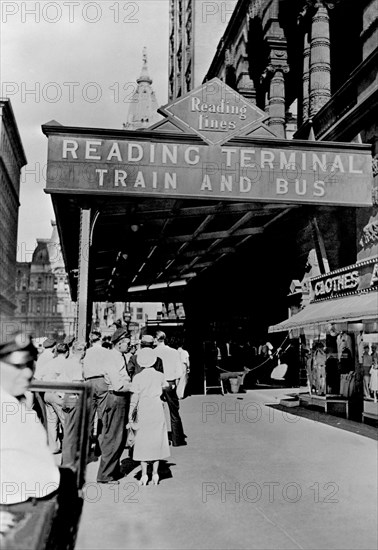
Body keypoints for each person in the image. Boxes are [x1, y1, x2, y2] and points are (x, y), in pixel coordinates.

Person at [127, 347, 170, 486]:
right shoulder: (160, 375)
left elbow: (134, 397)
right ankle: (155, 473)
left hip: (143, 408)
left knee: (142, 440)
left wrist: (130, 415)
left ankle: (144, 474)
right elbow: (167, 387)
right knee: (156, 439)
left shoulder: (137, 377)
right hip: (156, 408)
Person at [96, 328, 132, 484]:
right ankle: (105, 475)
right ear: (119, 343)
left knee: (120, 436)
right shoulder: (112, 358)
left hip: (120, 398)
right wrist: (135, 386)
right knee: (113, 437)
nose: (129, 346)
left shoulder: (118, 356)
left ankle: (113, 470)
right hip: (116, 397)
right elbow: (118, 385)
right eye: (127, 343)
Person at [35, 342, 69, 454]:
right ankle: (68, 447)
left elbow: (37, 376)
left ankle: (53, 447)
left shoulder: (50, 363)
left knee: (51, 421)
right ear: (67, 352)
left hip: (48, 394)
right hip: (60, 394)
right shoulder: (68, 363)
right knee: (66, 421)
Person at [154, 331, 186, 447]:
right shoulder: (173, 352)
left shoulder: (153, 353)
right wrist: (175, 383)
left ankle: (159, 440)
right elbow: (179, 371)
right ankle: (178, 439)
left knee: (156, 412)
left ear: (155, 339)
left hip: (157, 384)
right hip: (170, 383)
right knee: (174, 412)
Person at [60, 341, 86, 470]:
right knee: (73, 432)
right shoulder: (76, 365)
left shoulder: (68, 362)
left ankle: (66, 461)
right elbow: (77, 383)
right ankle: (69, 463)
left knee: (68, 431)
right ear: (82, 351)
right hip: (74, 397)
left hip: (67, 396)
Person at [82, 330, 110, 447]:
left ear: (90, 340)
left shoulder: (86, 352)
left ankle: (87, 445)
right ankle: (101, 444)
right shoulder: (106, 352)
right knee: (103, 414)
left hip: (88, 382)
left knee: (89, 414)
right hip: (102, 381)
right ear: (100, 339)